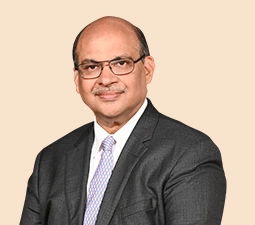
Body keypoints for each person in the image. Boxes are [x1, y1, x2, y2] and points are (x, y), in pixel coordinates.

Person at [20, 16, 226, 225]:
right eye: (91, 67)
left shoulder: (189, 153)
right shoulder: (50, 160)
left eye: (120, 63)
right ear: (77, 78)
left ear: (147, 69)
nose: (106, 79)